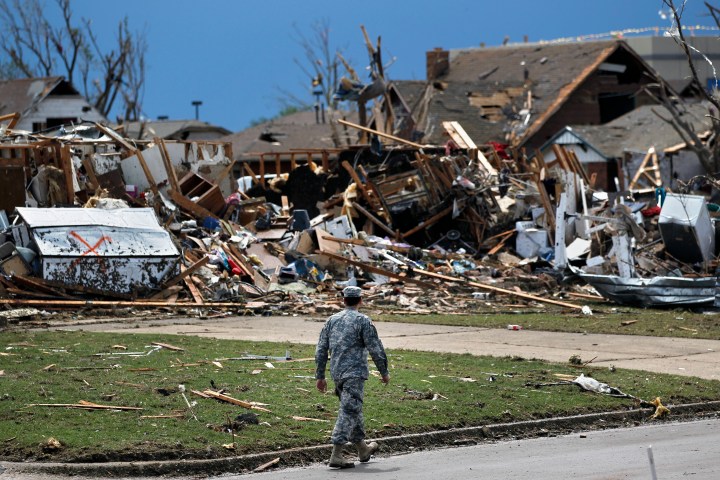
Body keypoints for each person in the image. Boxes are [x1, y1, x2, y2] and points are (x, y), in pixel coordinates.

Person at [315, 286, 390, 469]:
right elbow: (375, 348)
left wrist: (320, 375)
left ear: (343, 300)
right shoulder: (362, 321)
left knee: (352, 408)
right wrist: (384, 371)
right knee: (348, 411)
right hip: (354, 374)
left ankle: (363, 449)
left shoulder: (332, 320)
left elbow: (321, 349)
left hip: (337, 373)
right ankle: (336, 455)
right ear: (360, 300)